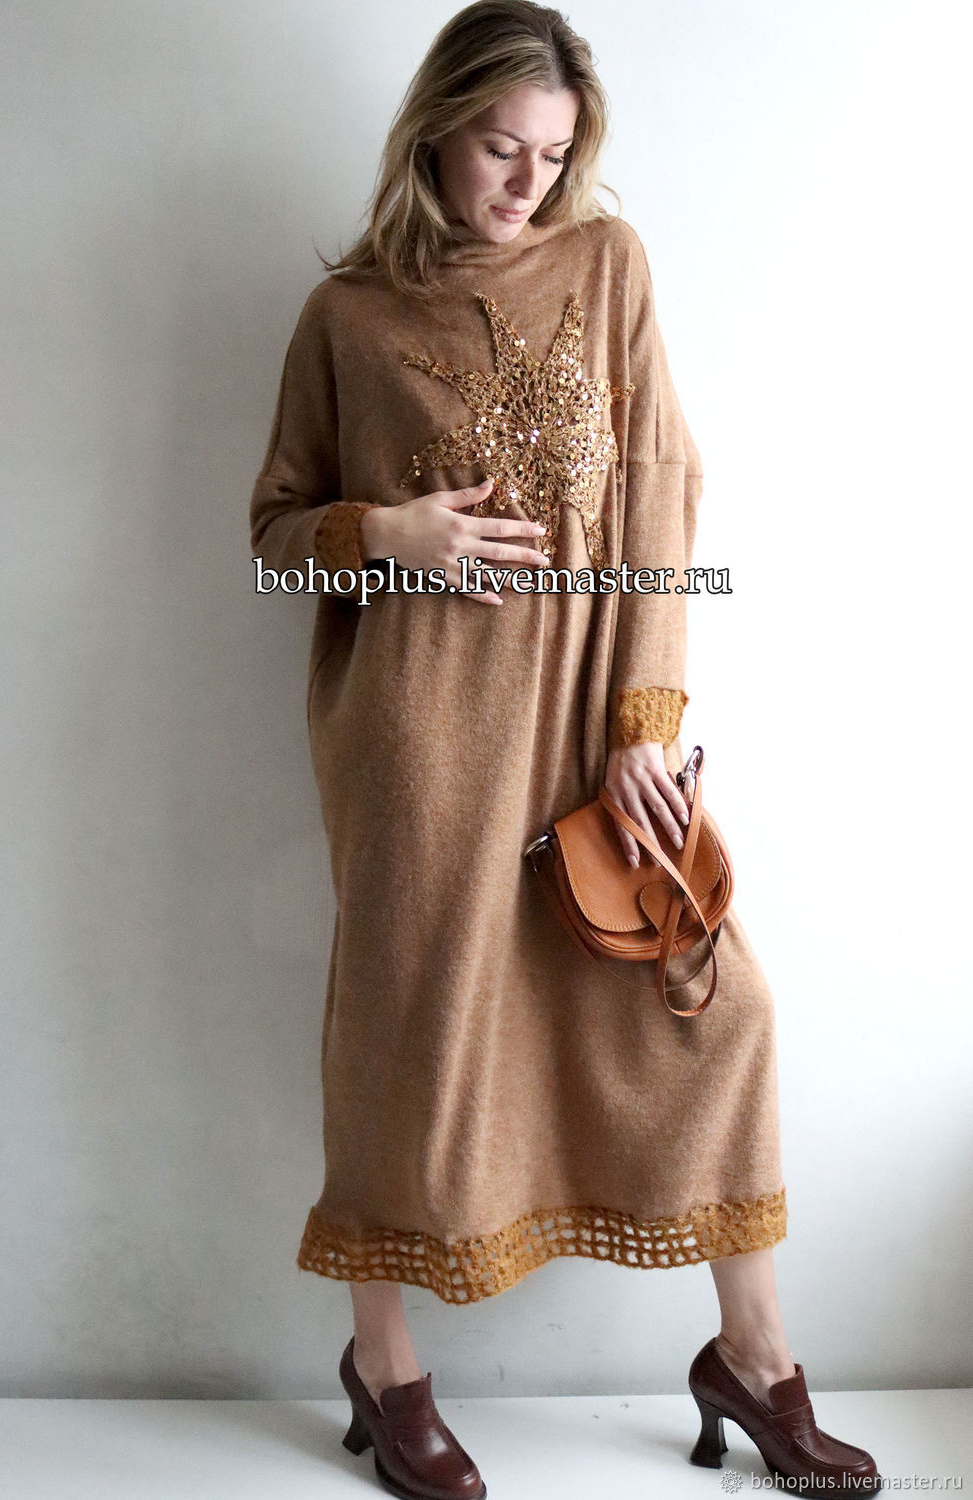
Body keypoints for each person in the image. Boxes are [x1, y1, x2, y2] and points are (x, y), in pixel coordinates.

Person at [249, 4, 881, 1497]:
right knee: (410, 1030)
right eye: (499, 148)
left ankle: (756, 1358)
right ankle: (386, 1366)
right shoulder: (347, 316)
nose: (526, 182)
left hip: (596, 726)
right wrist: (385, 531)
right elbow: (274, 535)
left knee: (713, 1008)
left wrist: (645, 724)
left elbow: (661, 493)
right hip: (421, 741)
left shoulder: (607, 267)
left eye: (552, 153)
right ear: (435, 132)